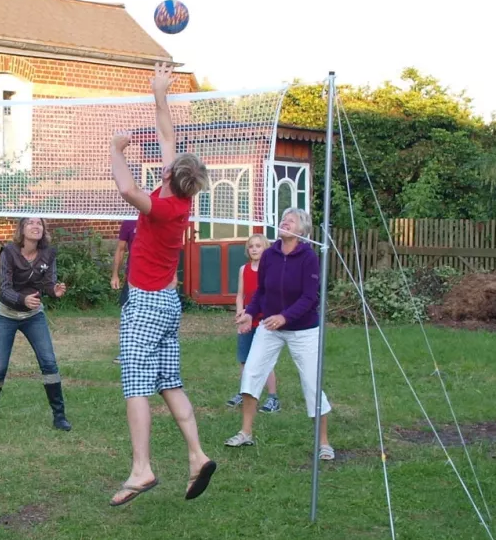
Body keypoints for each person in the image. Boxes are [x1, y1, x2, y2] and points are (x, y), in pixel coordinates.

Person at [107, 61, 217, 506]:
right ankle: (196, 456)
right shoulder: (180, 197)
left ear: (171, 177)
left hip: (149, 304)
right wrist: (159, 93)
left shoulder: (165, 208)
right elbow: (168, 134)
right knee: (170, 381)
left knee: (136, 382)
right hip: (168, 304)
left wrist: (115, 149)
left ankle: (142, 469)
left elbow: (128, 190)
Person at [227, 207, 334, 458]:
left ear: (302, 230)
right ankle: (245, 433)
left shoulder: (308, 257)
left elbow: (310, 297)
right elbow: (261, 292)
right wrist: (251, 313)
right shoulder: (270, 254)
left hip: (303, 330)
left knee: (311, 383)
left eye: (291, 220)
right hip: (269, 328)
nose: (285, 222)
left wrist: (285, 316)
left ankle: (324, 444)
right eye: (283, 219)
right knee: (251, 373)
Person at [0, 217, 72, 430]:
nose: (36, 226)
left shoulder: (48, 253)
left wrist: (53, 291)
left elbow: (47, 282)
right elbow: (4, 288)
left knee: (49, 362)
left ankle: (59, 416)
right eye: (30, 223)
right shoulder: (8, 252)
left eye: (40, 224)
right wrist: (22, 300)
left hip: (33, 315)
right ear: (22, 229)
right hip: (5, 315)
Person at [228, 233, 281, 411]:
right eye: (251, 246)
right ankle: (244, 392)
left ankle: (273, 398)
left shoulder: (271, 268)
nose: (254, 249)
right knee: (244, 359)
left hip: (264, 321)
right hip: (246, 320)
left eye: (258, 246)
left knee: (264, 361)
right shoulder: (244, 269)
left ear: (265, 248)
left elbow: (271, 296)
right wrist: (240, 313)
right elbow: (240, 295)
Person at [111, 218, 136, 309]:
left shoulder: (158, 219)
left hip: (155, 279)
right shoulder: (129, 222)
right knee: (127, 310)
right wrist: (115, 275)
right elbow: (121, 250)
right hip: (133, 278)